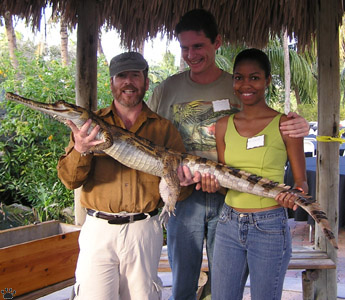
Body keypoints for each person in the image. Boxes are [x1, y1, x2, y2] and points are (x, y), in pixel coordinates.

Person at [148, 9, 310, 300]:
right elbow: (149, 138)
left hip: (228, 200)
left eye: (198, 46)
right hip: (185, 200)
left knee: (222, 287)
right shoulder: (166, 90)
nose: (191, 54)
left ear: (217, 42)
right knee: (183, 283)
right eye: (184, 47)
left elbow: (265, 121)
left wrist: (297, 124)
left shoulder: (236, 86)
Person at [57, 52, 190, 300]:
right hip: (99, 231)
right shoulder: (88, 126)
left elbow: (182, 191)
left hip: (143, 230)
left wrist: (183, 182)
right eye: (121, 76)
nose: (128, 82)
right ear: (112, 83)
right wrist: (80, 149)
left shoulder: (164, 128)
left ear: (146, 83)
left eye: (135, 75)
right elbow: (69, 180)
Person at [200, 48, 308, 299]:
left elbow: (301, 182)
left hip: (269, 225)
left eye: (254, 77)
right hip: (228, 223)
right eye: (239, 77)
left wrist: (295, 195)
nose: (245, 85)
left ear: (267, 80)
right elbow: (228, 183)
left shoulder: (285, 124)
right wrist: (211, 184)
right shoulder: (224, 125)